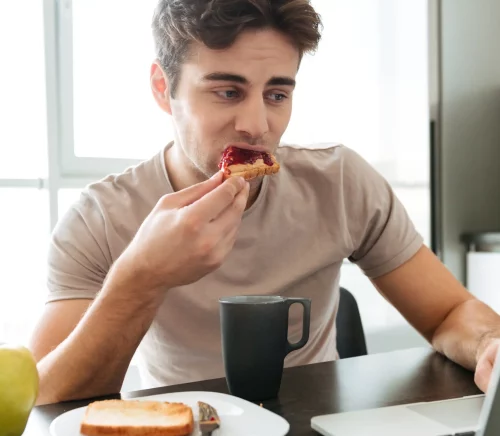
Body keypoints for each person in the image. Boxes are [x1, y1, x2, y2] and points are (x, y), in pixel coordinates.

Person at [30, 0, 500, 405]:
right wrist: (143, 276)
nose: (256, 125)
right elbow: (46, 399)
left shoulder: (340, 183)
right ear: (162, 88)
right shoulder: (99, 219)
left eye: (276, 93)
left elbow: (448, 313)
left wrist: (489, 345)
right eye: (227, 91)